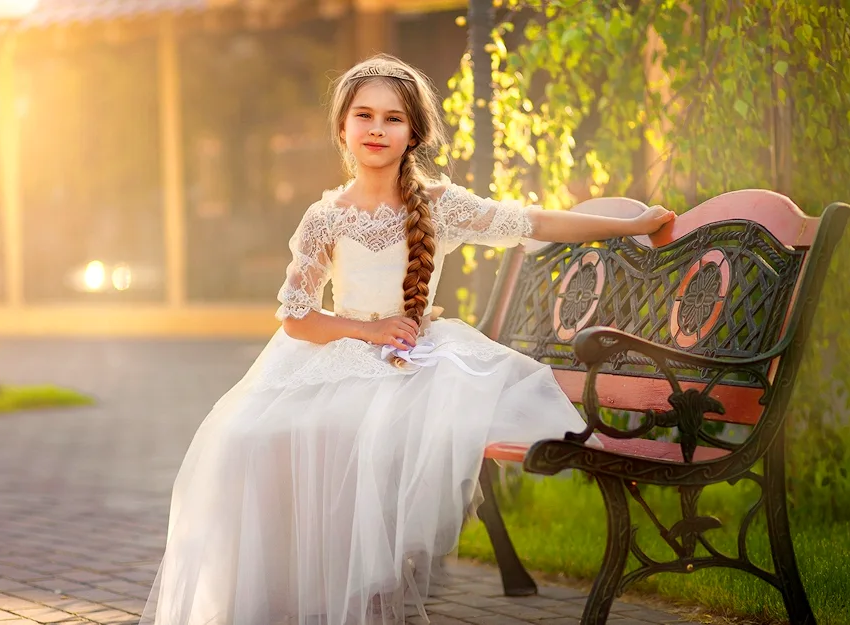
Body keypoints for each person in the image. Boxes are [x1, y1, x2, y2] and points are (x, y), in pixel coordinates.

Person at [139, 54, 675, 625]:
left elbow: (537, 222)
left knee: (363, 436)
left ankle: (369, 592)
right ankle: (284, 599)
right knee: (247, 436)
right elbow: (297, 316)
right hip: (341, 350)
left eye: (392, 118)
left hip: (412, 363)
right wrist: (364, 329)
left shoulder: (441, 207)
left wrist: (631, 226)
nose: (376, 128)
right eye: (363, 115)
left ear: (413, 132)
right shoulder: (327, 216)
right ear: (342, 128)